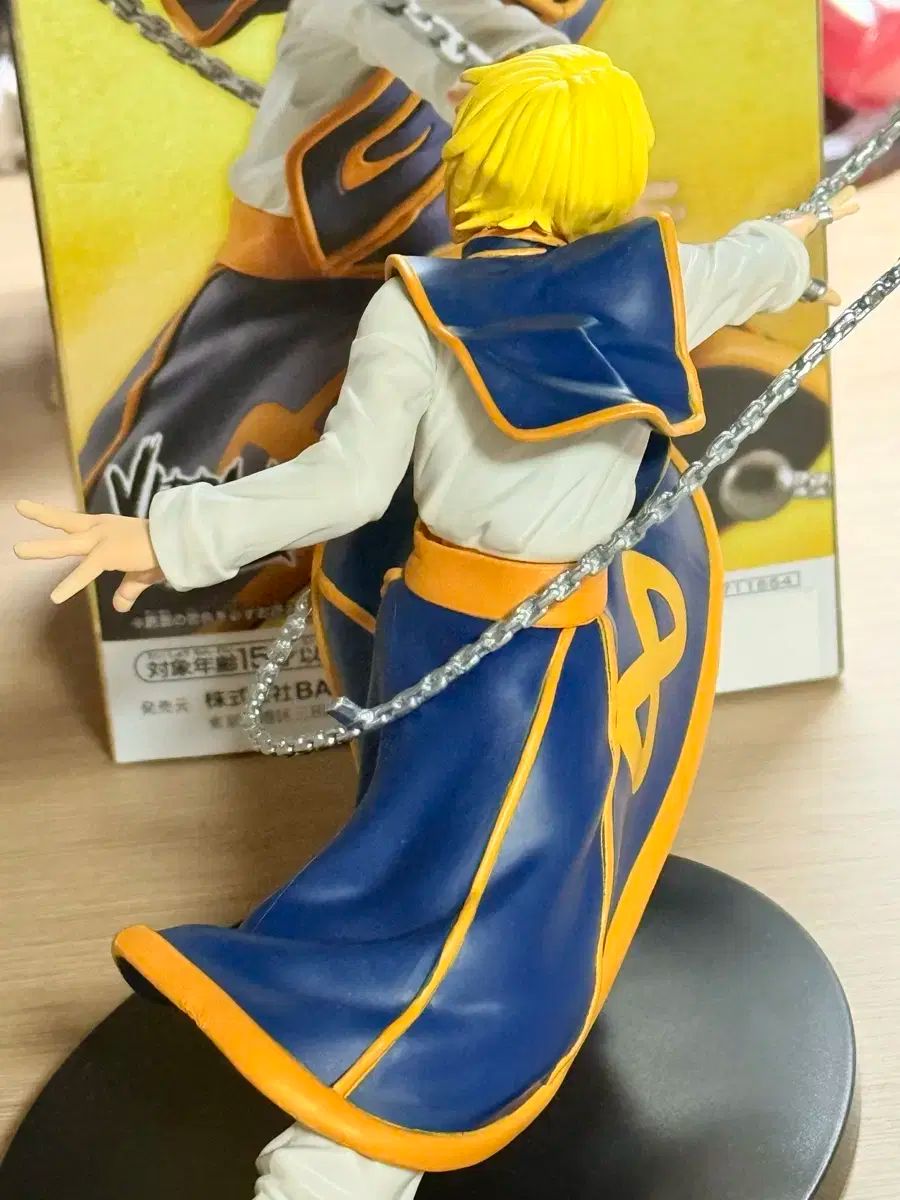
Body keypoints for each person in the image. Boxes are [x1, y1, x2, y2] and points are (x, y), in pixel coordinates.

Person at [15, 45, 857, 1200]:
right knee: (476, 888)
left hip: (457, 635)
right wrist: (799, 242)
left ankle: (362, 1125)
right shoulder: (654, 285)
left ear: (478, 166)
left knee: (461, 866)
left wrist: (170, 534)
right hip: (540, 658)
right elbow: (750, 264)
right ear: (606, 174)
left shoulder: (416, 308)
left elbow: (339, 491)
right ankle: (352, 1143)